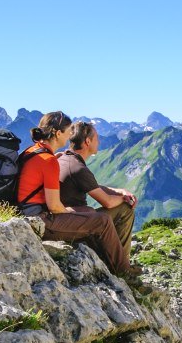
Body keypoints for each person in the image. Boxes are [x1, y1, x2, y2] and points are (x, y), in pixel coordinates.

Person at [17, 111, 138, 278]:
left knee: (90, 213)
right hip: (40, 220)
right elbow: (54, 206)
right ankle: (124, 273)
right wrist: (77, 214)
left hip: (27, 214)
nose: (68, 138)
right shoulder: (49, 160)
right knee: (101, 220)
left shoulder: (35, 151)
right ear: (58, 133)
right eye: (67, 132)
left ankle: (114, 261)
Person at [58, 121, 137, 263]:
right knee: (125, 210)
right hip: (74, 222)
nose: (99, 142)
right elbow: (107, 202)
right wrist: (125, 199)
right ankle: (122, 265)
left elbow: (91, 186)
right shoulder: (78, 168)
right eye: (97, 139)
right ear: (87, 141)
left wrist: (120, 191)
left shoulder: (65, 158)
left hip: (67, 218)